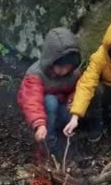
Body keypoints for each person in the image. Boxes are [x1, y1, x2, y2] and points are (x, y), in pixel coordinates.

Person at [17, 27, 81, 159]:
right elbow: (32, 101)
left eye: (68, 67)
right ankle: (48, 145)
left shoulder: (74, 74)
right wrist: (40, 124)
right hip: (42, 113)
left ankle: (68, 142)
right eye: (61, 66)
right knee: (50, 101)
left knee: (73, 116)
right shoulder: (35, 75)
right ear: (51, 61)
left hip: (61, 108)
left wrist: (72, 99)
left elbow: (79, 89)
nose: (65, 70)